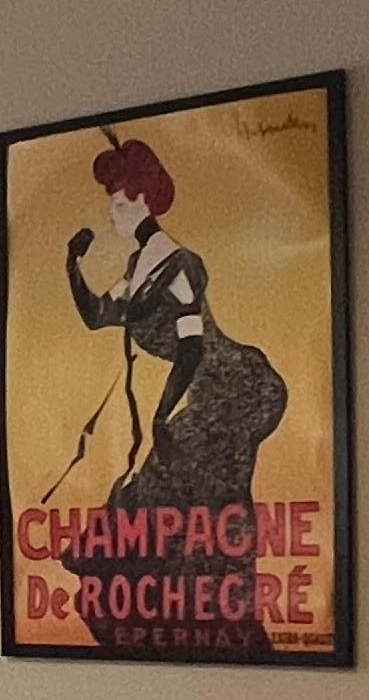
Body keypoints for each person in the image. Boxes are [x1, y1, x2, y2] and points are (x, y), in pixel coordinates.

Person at [60, 139, 287, 644]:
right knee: (150, 507)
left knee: (199, 515)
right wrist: (71, 263)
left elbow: (192, 349)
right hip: (201, 397)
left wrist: (162, 417)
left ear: (145, 200)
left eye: (119, 202)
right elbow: (97, 315)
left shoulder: (179, 264)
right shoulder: (137, 269)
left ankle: (220, 628)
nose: (112, 213)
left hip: (236, 388)